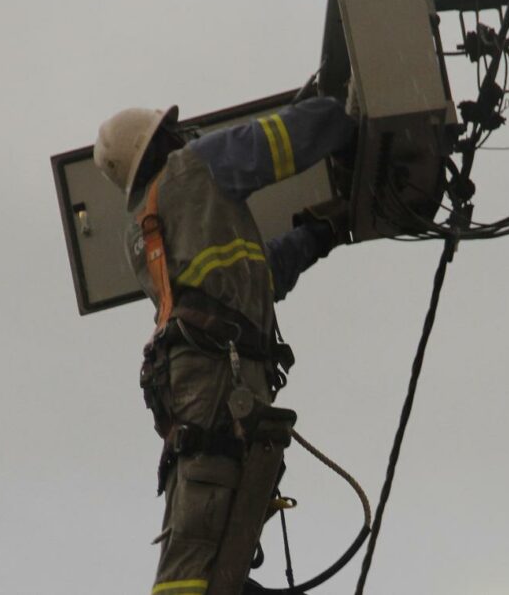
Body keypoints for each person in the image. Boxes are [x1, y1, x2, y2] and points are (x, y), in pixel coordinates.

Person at [93, 95, 356, 594]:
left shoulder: (147, 227)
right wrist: (350, 109)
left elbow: (251, 280)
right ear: (164, 141)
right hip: (217, 373)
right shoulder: (195, 166)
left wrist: (317, 236)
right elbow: (282, 140)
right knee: (199, 522)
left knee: (207, 521)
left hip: (204, 373)